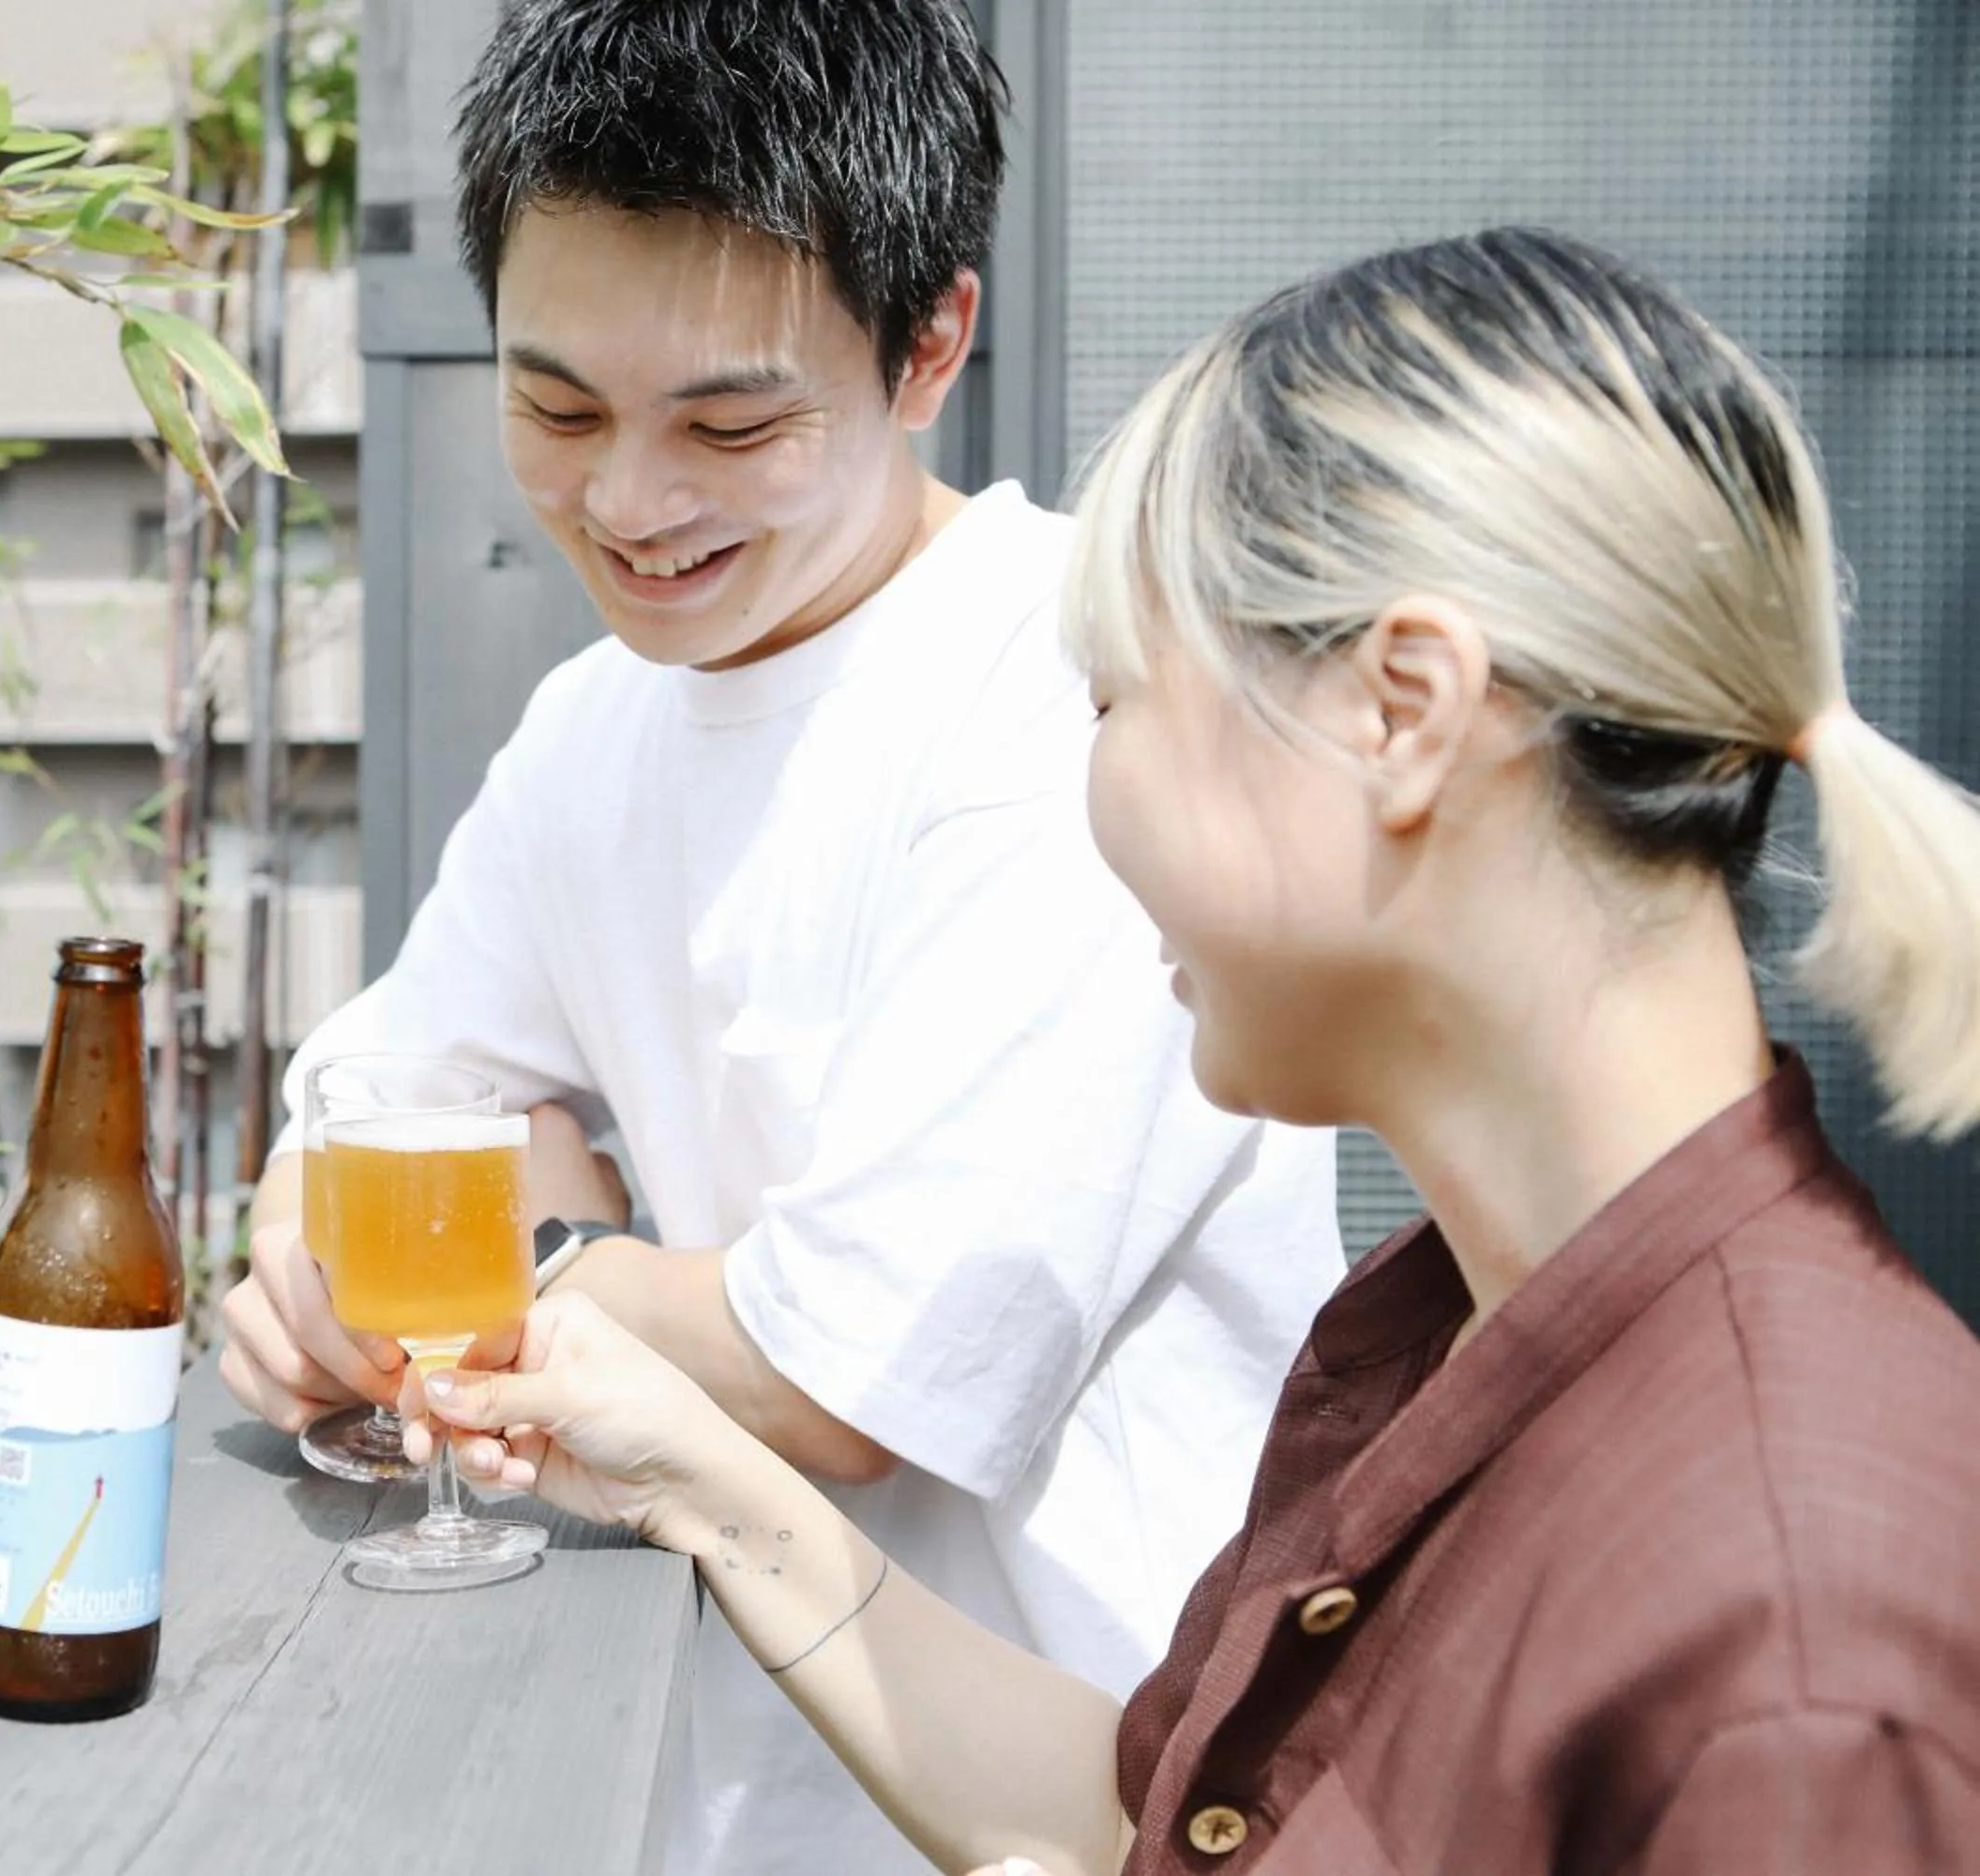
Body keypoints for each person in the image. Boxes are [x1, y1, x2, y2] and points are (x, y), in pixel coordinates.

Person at [408, 226, 1980, 1874]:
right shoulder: (1451, 1337)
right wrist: (686, 1476)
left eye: (1111, 703)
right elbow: (1153, 1821)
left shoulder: (1800, 1645)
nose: (1090, 798)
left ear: (1405, 712)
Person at [215, 3, 1344, 1870]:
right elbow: (364, 1112)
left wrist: (515, 1236)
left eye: (729, 422)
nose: (630, 501)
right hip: (723, 1785)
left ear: (931, 347)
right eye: (557, 405)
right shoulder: (595, 728)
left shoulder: (1080, 701)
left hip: (1100, 1802)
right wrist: (350, 1252)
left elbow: (846, 1381)